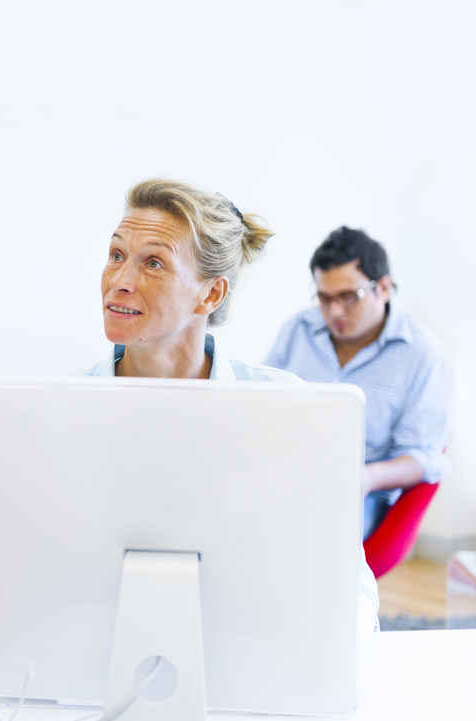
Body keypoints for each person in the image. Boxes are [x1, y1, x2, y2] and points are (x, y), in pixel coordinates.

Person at [81, 179, 379, 647]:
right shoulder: (59, 407)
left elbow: (348, 577)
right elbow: (7, 573)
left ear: (211, 294)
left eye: (153, 262)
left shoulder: (288, 408)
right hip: (93, 652)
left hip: (252, 655)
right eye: (116, 254)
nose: (118, 279)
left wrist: (344, 648)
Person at [264, 227, 453, 539]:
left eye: (349, 297)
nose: (335, 311)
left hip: (360, 497)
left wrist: (366, 478)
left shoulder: (425, 357)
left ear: (384, 288)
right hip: (287, 473)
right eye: (324, 299)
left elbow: (424, 456)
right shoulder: (299, 329)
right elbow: (261, 398)